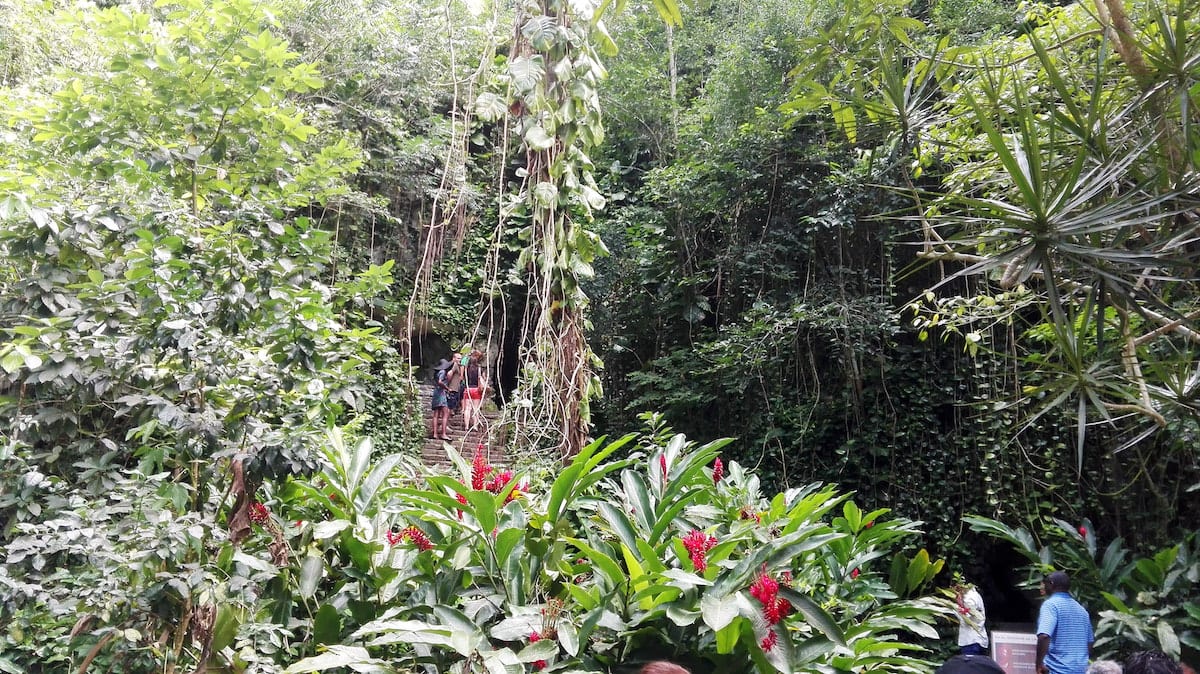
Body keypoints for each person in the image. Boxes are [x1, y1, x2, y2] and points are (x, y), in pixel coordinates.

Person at [1035, 571, 1094, 674]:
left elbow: (1044, 635)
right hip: (1080, 670)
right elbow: (1089, 643)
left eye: (1045, 582)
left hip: (1057, 670)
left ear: (1051, 584)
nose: (1043, 586)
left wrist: (1039, 664)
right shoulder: (1081, 610)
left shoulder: (1051, 605)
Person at [954, 579, 988, 655]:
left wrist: (956, 607)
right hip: (979, 640)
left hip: (970, 641)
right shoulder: (976, 595)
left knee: (970, 666)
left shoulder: (968, 598)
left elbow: (966, 617)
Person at [461, 349, 488, 430]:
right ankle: (475, 426)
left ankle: (466, 426)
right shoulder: (480, 369)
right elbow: (484, 379)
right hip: (476, 390)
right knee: (476, 408)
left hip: (468, 389)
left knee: (467, 409)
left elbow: (462, 374)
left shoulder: (466, 369)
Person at [429, 358, 453, 440]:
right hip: (441, 393)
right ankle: (443, 433)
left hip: (436, 392)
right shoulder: (443, 372)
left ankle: (435, 433)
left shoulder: (437, 372)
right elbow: (440, 382)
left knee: (436, 414)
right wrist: (447, 388)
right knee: (445, 413)